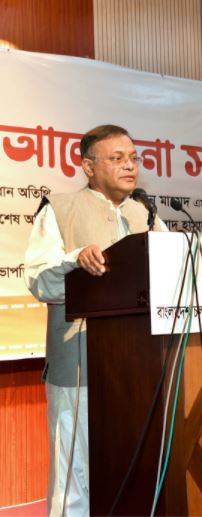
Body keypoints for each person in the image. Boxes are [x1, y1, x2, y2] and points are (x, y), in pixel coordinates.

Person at [24, 124, 165, 516]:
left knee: (132, 467)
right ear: (88, 166)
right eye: (117, 158)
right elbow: (38, 280)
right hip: (79, 365)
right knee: (75, 474)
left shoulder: (146, 214)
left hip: (140, 368)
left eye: (133, 158)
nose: (130, 166)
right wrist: (75, 260)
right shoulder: (59, 208)